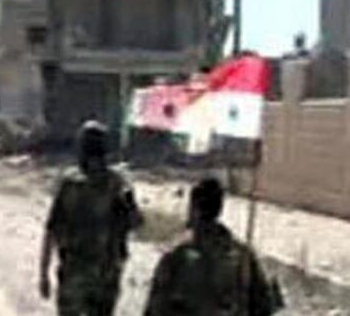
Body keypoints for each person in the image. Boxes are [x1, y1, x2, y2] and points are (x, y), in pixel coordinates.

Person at [40, 120, 142, 316]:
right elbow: (136, 222)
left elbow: (51, 231)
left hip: (74, 276)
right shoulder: (117, 184)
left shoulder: (70, 185)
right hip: (106, 278)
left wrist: (43, 274)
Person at [144, 178, 274, 316]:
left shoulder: (177, 256)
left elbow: (156, 308)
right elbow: (264, 306)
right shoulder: (243, 256)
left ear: (195, 209)